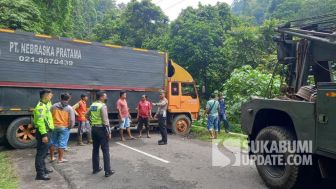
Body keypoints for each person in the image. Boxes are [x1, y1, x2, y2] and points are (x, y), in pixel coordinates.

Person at [89, 91, 115, 177]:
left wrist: (92, 121)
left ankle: (95, 168)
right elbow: (105, 120)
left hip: (94, 129)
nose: (106, 98)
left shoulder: (93, 105)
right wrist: (109, 132)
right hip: (101, 129)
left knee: (95, 149)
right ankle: (108, 171)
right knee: (105, 150)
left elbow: (86, 115)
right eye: (105, 96)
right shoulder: (102, 106)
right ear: (101, 97)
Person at [34, 89, 54, 180]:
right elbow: (40, 122)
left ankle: (44, 169)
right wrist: (44, 135)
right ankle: (40, 174)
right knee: (41, 154)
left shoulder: (46, 104)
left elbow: (50, 104)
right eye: (50, 95)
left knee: (44, 152)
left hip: (47, 131)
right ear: (45, 96)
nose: (52, 96)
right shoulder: (40, 107)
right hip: (43, 132)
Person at [49, 93, 75, 163]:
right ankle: (60, 159)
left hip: (54, 127)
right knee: (62, 143)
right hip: (64, 127)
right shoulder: (69, 108)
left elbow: (49, 116)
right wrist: (69, 127)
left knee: (53, 142)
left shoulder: (53, 106)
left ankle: (51, 157)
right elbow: (72, 120)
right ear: (69, 99)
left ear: (60, 98)